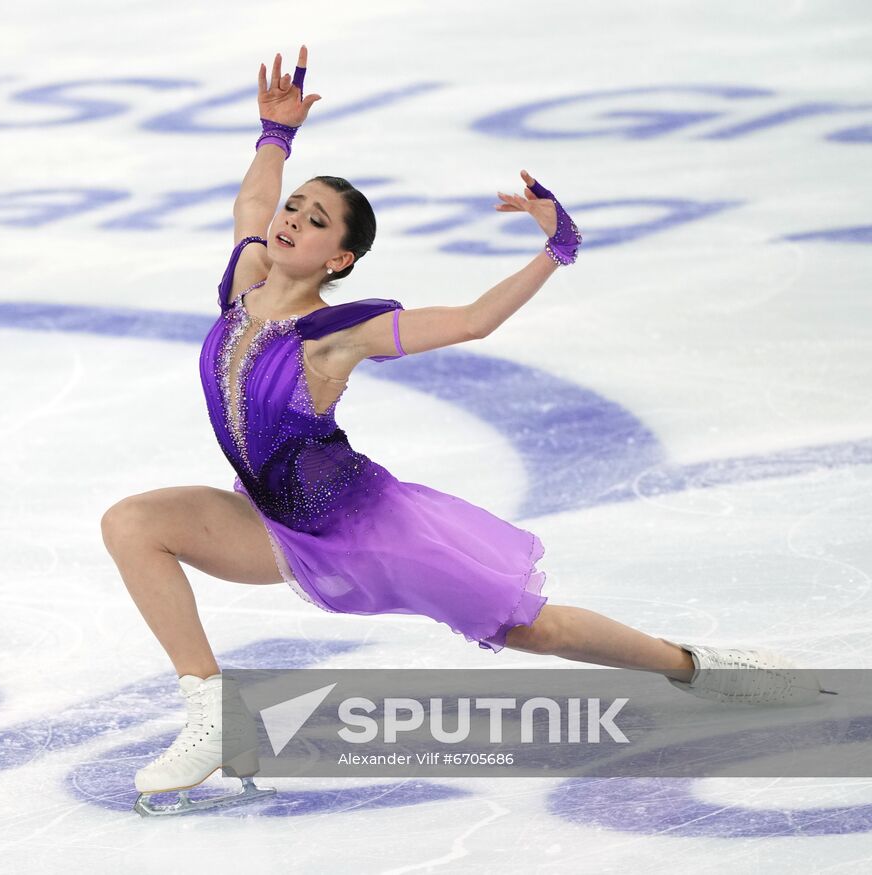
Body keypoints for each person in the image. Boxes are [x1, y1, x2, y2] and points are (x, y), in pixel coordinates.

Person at [101, 45, 825, 817]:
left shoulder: (336, 335)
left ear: (339, 256)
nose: (290, 221)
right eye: (295, 209)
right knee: (133, 523)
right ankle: (213, 714)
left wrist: (556, 249)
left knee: (531, 629)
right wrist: (274, 136)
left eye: (315, 221)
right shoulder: (244, 280)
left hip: (361, 530)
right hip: (267, 518)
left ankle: (695, 664)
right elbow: (252, 204)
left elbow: (475, 320)